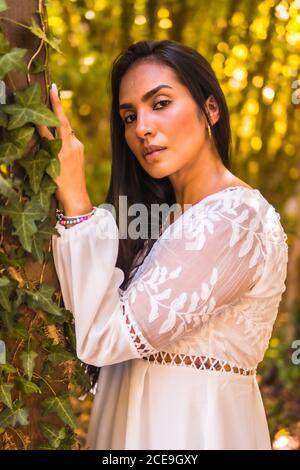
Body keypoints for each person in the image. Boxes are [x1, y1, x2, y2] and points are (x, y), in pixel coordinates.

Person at [37, 40, 288, 450]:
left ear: (210, 109)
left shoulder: (235, 219)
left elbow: (106, 337)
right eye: (129, 115)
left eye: (161, 103)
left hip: (195, 433)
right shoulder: (165, 222)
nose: (142, 128)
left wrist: (77, 202)